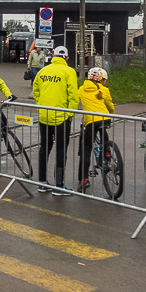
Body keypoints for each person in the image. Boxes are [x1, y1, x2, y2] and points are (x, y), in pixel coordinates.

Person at [32, 45, 79, 195]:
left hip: (44, 116)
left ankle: (42, 183)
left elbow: (35, 91)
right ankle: (59, 185)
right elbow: (73, 95)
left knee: (44, 148)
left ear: (53, 56)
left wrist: (41, 105)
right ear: (66, 57)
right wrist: (71, 113)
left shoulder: (43, 71)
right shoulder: (69, 72)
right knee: (61, 149)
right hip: (61, 117)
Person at [76, 67, 114, 191]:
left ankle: (84, 179)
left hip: (91, 121)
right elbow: (110, 106)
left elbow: (75, 100)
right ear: (101, 80)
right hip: (105, 118)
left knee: (87, 150)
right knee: (103, 131)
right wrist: (111, 113)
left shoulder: (82, 89)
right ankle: (106, 151)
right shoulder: (105, 90)